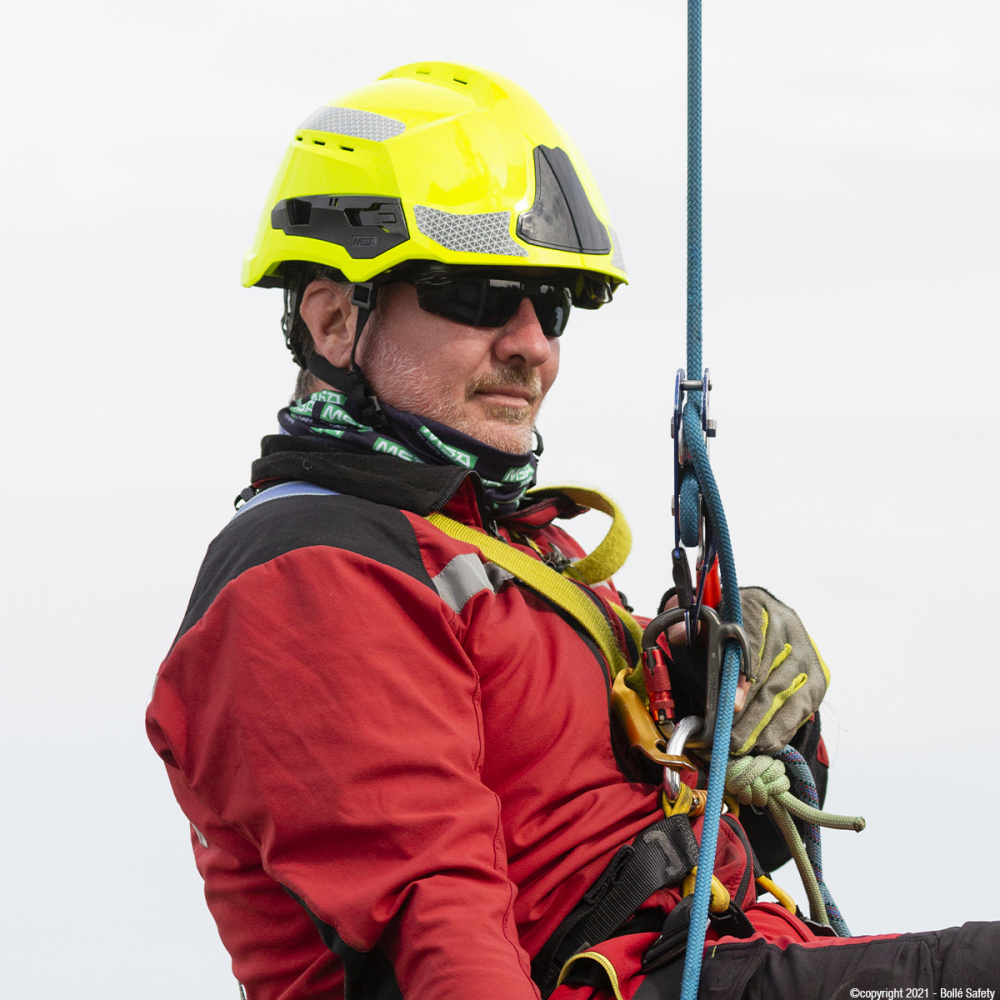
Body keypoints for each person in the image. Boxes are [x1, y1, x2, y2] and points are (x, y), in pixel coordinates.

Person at [146, 61, 999, 1000]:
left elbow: (717, 833)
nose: (533, 345)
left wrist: (738, 691)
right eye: (482, 296)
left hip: (719, 955)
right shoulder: (315, 575)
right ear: (335, 319)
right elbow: (433, 925)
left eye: (550, 305)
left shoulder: (505, 547)